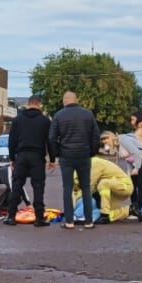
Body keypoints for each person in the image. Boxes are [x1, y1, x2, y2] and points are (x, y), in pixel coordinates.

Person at [49, 91, 100, 229]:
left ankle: (69, 221)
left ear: (64, 101)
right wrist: (92, 152)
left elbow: (52, 138)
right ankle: (89, 221)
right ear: (76, 100)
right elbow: (96, 135)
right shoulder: (87, 114)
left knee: (67, 188)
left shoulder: (59, 115)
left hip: (66, 156)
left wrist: (56, 154)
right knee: (86, 187)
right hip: (84, 155)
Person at [2, 94, 53, 227]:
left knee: (17, 186)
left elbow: (11, 141)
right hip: (37, 157)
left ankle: (11, 217)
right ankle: (39, 218)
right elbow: (50, 141)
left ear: (28, 104)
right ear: (39, 104)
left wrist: (12, 158)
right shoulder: (45, 121)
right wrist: (52, 158)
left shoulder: (18, 120)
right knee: (38, 187)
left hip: (22, 156)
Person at [70, 143, 135, 224]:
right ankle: (129, 210)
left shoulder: (94, 163)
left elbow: (89, 186)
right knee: (97, 210)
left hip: (124, 186)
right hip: (110, 188)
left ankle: (104, 214)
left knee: (102, 185)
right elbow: (74, 188)